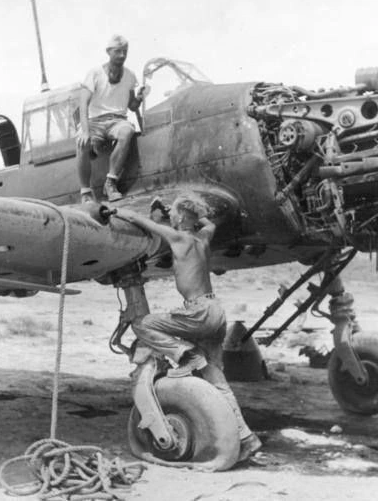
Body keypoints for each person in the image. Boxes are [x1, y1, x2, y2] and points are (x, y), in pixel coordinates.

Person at [114, 193, 262, 462]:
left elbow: (140, 221)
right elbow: (209, 223)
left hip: (197, 310)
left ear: (180, 218)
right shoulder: (203, 237)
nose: (170, 216)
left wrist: (115, 212)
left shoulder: (178, 238)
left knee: (144, 324)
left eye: (174, 214)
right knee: (216, 379)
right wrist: (192, 211)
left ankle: (186, 355)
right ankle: (246, 437)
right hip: (215, 311)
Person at [76, 35, 147, 203]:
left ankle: (110, 182)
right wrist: (86, 132)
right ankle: (86, 192)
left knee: (127, 131)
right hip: (95, 121)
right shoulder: (94, 73)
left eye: (125, 52)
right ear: (108, 52)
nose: (122, 55)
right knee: (81, 142)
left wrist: (139, 98)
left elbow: (131, 106)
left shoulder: (130, 75)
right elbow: (83, 104)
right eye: (118, 51)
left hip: (117, 120)